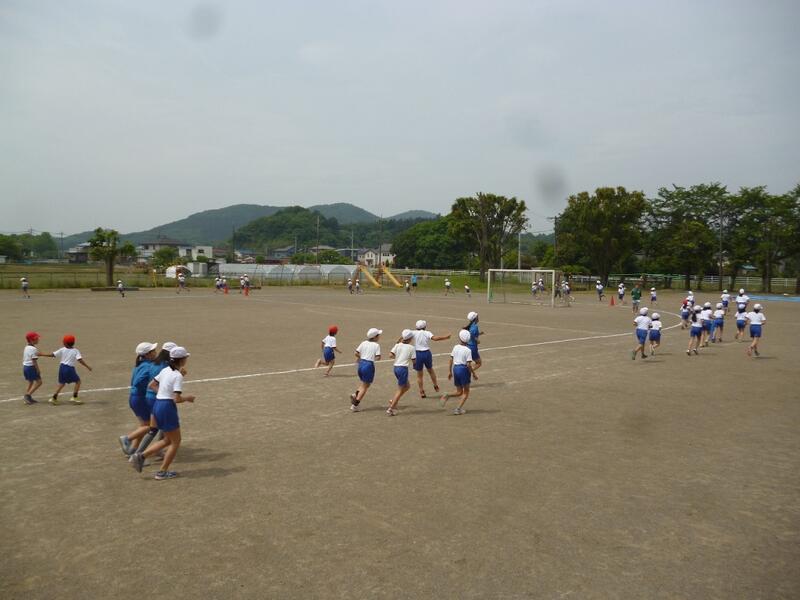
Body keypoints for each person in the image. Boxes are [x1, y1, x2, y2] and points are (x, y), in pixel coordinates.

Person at [131, 346, 195, 480]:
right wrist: (187, 398)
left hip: (157, 405)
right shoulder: (177, 375)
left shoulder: (165, 370)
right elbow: (177, 399)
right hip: (167, 408)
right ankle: (162, 472)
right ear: (182, 360)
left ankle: (140, 456)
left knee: (167, 440)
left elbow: (152, 385)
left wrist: (163, 393)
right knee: (176, 442)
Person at [119, 342, 159, 456]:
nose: (155, 352)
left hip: (135, 398)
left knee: (144, 425)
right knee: (150, 426)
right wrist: (148, 387)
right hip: (140, 398)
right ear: (147, 354)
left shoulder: (141, 364)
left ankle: (134, 450)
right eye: (153, 351)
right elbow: (137, 382)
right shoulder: (147, 366)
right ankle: (127, 438)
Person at [46, 334, 92, 405]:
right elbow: (80, 360)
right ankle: (74, 397)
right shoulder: (76, 351)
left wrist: (42, 354)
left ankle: (54, 398)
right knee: (78, 382)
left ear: (65, 343)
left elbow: (52, 355)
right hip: (69, 369)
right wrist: (87, 366)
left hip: (62, 368)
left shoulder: (62, 349)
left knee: (62, 383)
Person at [412, 320, 451, 398]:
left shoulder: (413, 332)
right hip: (426, 353)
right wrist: (446, 337)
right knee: (430, 370)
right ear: (424, 327)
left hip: (417, 354)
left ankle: (422, 391)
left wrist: (398, 342)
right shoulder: (427, 333)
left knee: (419, 375)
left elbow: (404, 336)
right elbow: (435, 338)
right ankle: (435, 385)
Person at [440, 330, 475, 415]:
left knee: (459, 392)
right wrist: (474, 374)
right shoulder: (468, 350)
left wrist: (450, 372)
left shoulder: (455, 347)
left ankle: (447, 395)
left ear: (460, 338)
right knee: (466, 392)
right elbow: (468, 365)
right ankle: (458, 409)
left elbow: (451, 360)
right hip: (463, 370)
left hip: (455, 369)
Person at [350, 328, 381, 412]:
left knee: (365, 384)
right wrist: (372, 358)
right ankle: (355, 405)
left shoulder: (363, 343)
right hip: (368, 366)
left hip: (361, 364)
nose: (379, 337)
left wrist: (361, 357)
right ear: (374, 337)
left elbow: (356, 353)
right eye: (378, 335)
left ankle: (355, 394)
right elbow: (378, 357)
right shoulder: (376, 345)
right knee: (365, 386)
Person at [387, 330, 416, 416]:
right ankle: (391, 408)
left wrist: (399, 356)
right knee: (400, 389)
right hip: (403, 369)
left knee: (407, 386)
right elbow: (414, 361)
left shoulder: (397, 345)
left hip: (396, 368)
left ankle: (393, 400)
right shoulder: (411, 348)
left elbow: (390, 355)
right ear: (410, 339)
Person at [22, 331, 50, 405]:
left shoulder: (27, 347)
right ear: (32, 340)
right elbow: (34, 360)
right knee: (39, 382)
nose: (38, 339)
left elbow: (37, 353)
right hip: (31, 367)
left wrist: (48, 355)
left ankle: (27, 397)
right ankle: (27, 396)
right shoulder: (33, 349)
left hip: (25, 367)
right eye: (36, 338)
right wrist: (37, 369)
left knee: (31, 382)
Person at [465, 311, 483, 378]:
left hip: (467, 346)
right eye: (477, 316)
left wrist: (479, 333)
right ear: (475, 318)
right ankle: (467, 372)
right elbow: (472, 335)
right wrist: (477, 340)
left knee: (467, 363)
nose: (478, 317)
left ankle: (467, 371)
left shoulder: (470, 326)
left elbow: (471, 334)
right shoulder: (475, 327)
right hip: (472, 348)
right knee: (479, 363)